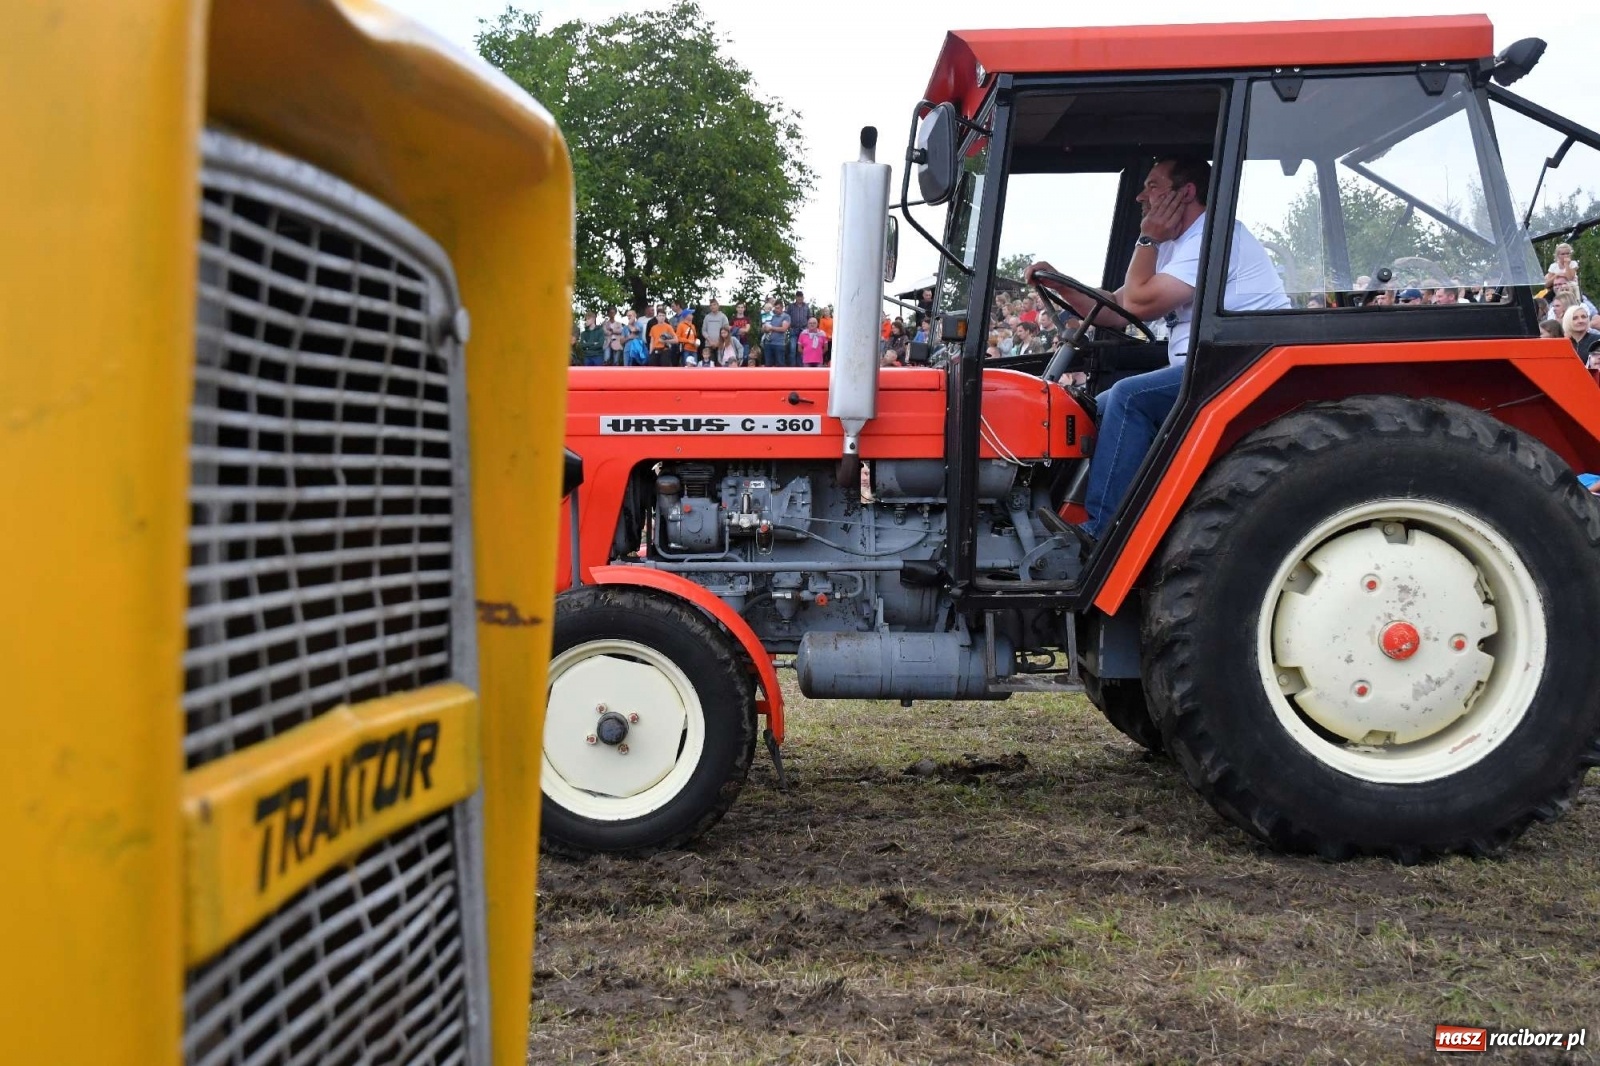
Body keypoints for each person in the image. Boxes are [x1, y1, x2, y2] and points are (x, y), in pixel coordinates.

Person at [1026, 156, 1288, 545]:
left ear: (1186, 192)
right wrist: (1063, 286)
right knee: (1094, 403)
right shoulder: (1179, 244)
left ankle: (1102, 536)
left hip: (1241, 362)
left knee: (1130, 398)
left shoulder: (1214, 237)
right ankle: (1051, 512)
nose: (1140, 196)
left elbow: (1139, 303)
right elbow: (1116, 308)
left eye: (1152, 186)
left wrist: (1146, 238)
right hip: (1210, 361)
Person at [763, 303, 791, 367]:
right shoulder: (771, 316)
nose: (776, 310)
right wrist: (765, 328)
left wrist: (771, 328)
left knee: (780, 364)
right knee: (768, 364)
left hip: (779, 344)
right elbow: (764, 328)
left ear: (782, 308)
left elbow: (784, 329)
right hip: (768, 343)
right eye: (775, 308)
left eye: (778, 308)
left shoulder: (786, 316)